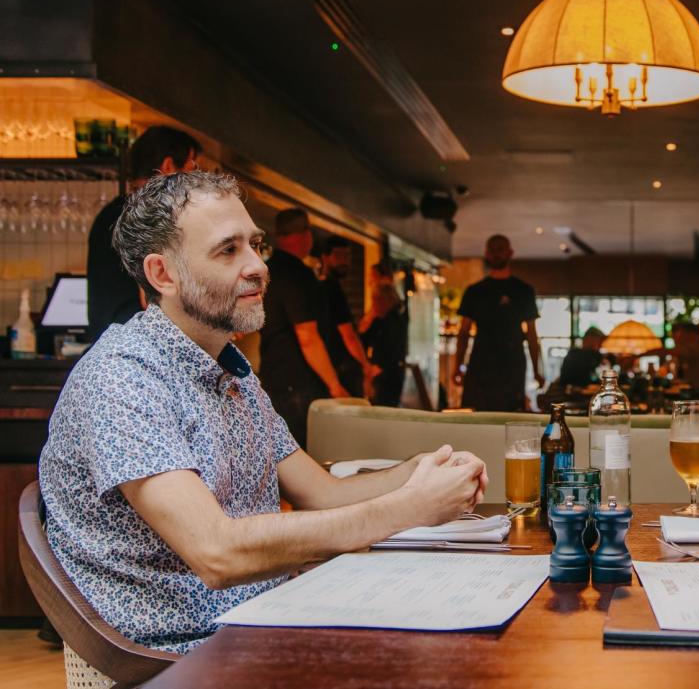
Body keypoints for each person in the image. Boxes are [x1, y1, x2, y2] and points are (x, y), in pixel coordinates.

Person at [39, 171, 486, 655]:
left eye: (255, 244)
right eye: (228, 250)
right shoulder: (123, 378)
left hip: (262, 621)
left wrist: (421, 472)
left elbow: (323, 493)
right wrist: (410, 507)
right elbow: (217, 551)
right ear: (162, 274)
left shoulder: (233, 373)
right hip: (181, 657)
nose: (257, 266)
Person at [87, 126, 201, 342]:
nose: (193, 182)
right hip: (137, 347)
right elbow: (152, 296)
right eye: (191, 168)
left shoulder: (111, 213)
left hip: (108, 343)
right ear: (168, 166)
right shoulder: (149, 215)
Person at [260, 208, 349, 447]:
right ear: (306, 235)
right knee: (306, 456)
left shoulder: (266, 271)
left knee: (280, 455)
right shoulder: (298, 275)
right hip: (300, 385)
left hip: (272, 379)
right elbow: (307, 335)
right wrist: (335, 385)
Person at [453, 234, 543, 411]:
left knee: (510, 414)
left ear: (510, 253)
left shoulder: (523, 291)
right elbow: (463, 332)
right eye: (493, 250)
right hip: (480, 363)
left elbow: (532, 334)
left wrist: (537, 370)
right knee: (477, 414)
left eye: (501, 249)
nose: (497, 254)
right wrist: (458, 366)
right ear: (486, 254)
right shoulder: (475, 291)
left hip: (512, 363)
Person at [319, 235, 379, 398]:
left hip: (330, 368)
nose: (344, 261)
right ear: (325, 258)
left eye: (347, 256)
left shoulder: (320, 286)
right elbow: (348, 335)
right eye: (339, 256)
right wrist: (366, 367)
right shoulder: (332, 289)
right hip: (342, 370)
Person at [359, 263, 408, 407]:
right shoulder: (379, 320)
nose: (374, 304)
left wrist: (377, 368)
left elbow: (395, 348)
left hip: (387, 374)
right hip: (379, 372)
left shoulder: (395, 320)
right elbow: (363, 338)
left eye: (376, 300)